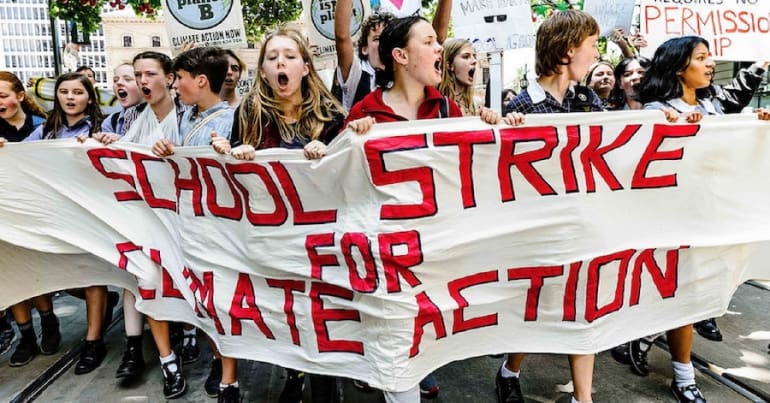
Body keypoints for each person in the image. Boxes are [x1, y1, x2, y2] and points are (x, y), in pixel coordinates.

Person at [344, 15, 520, 401]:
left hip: (437, 261)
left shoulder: (448, 111)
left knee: (420, 352)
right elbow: (340, 188)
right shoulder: (364, 115)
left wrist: (497, 129)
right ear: (401, 55)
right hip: (389, 264)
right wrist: (349, 140)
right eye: (429, 42)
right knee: (398, 365)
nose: (440, 49)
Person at [211, 26, 346, 403]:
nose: (280, 63)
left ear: (305, 66)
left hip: (322, 239)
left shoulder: (332, 114)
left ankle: (324, 384)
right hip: (273, 239)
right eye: (272, 58)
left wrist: (332, 153)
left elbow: (352, 174)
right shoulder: (250, 113)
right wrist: (231, 153)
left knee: (319, 314)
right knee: (286, 313)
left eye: (289, 56)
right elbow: (235, 180)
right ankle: (293, 370)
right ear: (264, 70)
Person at [638, 35, 770, 403]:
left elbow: (731, 146)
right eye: (702, 57)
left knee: (699, 294)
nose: (711, 63)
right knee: (686, 296)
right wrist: (680, 133)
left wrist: (756, 129)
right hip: (676, 221)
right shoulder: (655, 111)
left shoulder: (713, 106)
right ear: (681, 66)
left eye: (710, 57)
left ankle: (644, 338)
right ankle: (684, 376)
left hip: (713, 217)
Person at [501, 9, 601, 403]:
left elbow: (622, 141)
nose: (595, 55)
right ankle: (510, 369)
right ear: (567, 50)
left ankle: (583, 397)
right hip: (539, 228)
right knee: (536, 303)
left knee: (585, 307)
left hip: (582, 224)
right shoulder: (523, 106)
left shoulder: (587, 99)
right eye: (591, 47)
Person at [95, 51, 188, 400]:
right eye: (138, 75)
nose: (143, 81)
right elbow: (128, 152)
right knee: (145, 280)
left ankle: (192, 338)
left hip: (184, 222)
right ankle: (168, 360)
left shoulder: (188, 117)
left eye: (150, 73)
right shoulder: (141, 118)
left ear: (170, 78)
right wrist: (106, 145)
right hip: (149, 221)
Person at [151, 46, 238, 403]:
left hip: (216, 227)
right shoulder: (185, 117)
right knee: (201, 300)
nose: (176, 86)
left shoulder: (228, 121)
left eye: (181, 79)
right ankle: (218, 355)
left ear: (201, 81)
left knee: (218, 301)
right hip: (184, 224)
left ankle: (226, 368)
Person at [22, 72, 113, 375]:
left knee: (92, 274)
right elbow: (23, 155)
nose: (70, 97)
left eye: (77, 92)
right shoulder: (47, 129)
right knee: (52, 272)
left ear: (90, 97)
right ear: (56, 95)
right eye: (64, 91)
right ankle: (75, 313)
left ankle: (93, 340)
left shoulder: (101, 128)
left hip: (87, 213)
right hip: (53, 214)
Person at [0, 71, 57, 365]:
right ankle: (26, 336)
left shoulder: (44, 126)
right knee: (11, 275)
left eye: (1, 96)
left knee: (36, 273)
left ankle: (48, 321)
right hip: (4, 215)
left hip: (36, 211)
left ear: (19, 96)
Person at [438, 38, 480, 116]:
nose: (474, 61)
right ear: (450, 65)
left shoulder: (476, 104)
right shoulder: (437, 105)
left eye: (474, 56)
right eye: (466, 57)